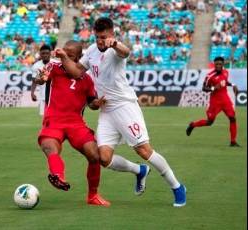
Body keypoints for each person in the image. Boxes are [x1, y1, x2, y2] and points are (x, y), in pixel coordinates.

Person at [54, 17, 186, 207]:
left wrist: (114, 44)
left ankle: (177, 187)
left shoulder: (116, 49)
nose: (100, 41)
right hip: (107, 110)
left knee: (143, 149)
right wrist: (64, 58)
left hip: (125, 106)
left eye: (103, 37)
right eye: (97, 37)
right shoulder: (91, 50)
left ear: (112, 34)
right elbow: (77, 72)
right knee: (103, 158)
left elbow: (126, 52)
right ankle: (139, 171)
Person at [35, 40, 110, 206]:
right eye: (63, 54)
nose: (64, 57)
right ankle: (57, 175)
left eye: (69, 55)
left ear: (79, 57)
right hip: (53, 120)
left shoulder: (88, 80)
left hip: (76, 123)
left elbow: (91, 103)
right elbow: (41, 78)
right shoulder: (54, 68)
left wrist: (96, 104)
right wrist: (40, 78)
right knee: (49, 146)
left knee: (94, 155)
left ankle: (92, 196)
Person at [186, 56, 240, 147]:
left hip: (225, 99)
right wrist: (213, 88)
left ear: (223, 64)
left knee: (232, 118)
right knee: (209, 122)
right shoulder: (210, 76)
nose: (218, 65)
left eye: (220, 64)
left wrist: (233, 84)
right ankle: (192, 125)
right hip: (215, 102)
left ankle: (233, 141)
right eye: (216, 64)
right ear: (214, 64)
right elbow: (204, 88)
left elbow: (224, 82)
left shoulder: (226, 72)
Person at [30, 44, 56, 116]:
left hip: (55, 96)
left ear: (50, 54)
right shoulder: (36, 66)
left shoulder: (56, 64)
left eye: (47, 53)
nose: (45, 55)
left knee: (56, 117)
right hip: (43, 96)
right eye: (43, 53)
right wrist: (32, 93)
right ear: (40, 54)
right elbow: (34, 81)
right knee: (45, 118)